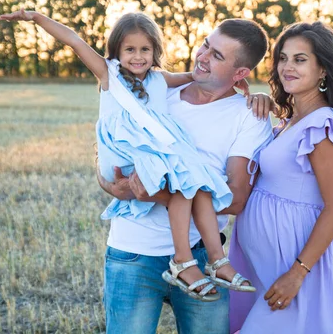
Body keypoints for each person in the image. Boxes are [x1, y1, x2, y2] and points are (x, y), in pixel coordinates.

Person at [0, 10, 259, 305]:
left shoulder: (161, 81)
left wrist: (247, 89)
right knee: (188, 185)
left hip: (151, 153)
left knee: (196, 183)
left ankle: (214, 260)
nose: (138, 56)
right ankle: (185, 261)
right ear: (116, 51)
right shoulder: (110, 74)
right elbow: (73, 40)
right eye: (130, 49)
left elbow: (193, 77)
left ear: (155, 51)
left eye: (145, 49)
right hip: (128, 154)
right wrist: (37, 18)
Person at [96, 18, 273, 334]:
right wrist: (112, 184)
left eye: (217, 55)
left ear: (241, 74)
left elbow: (235, 198)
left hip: (202, 255)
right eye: (206, 44)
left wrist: (156, 195)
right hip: (132, 251)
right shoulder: (156, 91)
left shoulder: (250, 115)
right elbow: (109, 155)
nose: (202, 56)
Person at [229, 22, 333, 333]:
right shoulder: (291, 122)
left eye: (300, 60)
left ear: (323, 69)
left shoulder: (322, 127)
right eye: (283, 58)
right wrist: (259, 99)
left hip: (300, 268)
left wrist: (297, 273)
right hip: (269, 266)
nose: (288, 67)